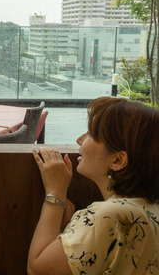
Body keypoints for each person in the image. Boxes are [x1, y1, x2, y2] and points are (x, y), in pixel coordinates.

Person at [28, 96, 159, 275]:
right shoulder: (151, 208)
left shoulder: (108, 216)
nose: (79, 139)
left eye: (91, 133)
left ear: (118, 160)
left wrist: (55, 194)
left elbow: (37, 270)